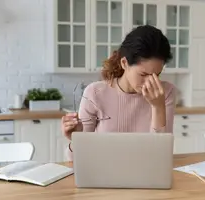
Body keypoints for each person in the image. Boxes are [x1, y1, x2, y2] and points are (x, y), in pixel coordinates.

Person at [61, 25, 176, 160]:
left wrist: (158, 107)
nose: (151, 82)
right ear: (124, 63)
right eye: (143, 74)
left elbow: (161, 157)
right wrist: (76, 140)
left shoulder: (165, 93)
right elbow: (76, 160)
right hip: (102, 175)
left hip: (146, 176)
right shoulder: (95, 93)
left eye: (157, 74)